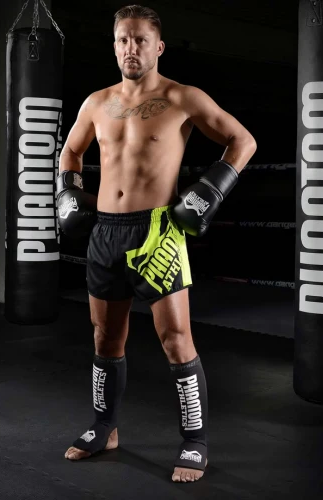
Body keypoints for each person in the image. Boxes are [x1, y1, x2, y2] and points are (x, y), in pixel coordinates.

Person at [57, 4, 257, 483]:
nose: (131, 48)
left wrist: (209, 191)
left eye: (140, 40)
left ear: (158, 46)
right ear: (114, 46)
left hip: (157, 232)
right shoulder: (96, 102)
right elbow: (71, 151)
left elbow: (242, 141)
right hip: (105, 232)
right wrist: (67, 191)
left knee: (176, 339)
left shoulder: (181, 97)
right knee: (105, 337)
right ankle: (104, 427)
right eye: (123, 40)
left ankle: (195, 441)